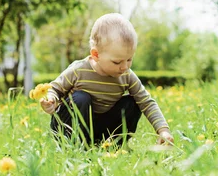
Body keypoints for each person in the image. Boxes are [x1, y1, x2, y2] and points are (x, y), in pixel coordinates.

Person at [39, 13, 174, 146]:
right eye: (117, 62)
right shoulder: (79, 70)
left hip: (99, 127)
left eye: (129, 59)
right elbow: (55, 88)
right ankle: (73, 144)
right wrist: (51, 100)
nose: (124, 67)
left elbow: (146, 102)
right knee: (81, 97)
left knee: (133, 102)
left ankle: (115, 145)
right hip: (70, 125)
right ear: (96, 54)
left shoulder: (127, 75)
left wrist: (163, 130)